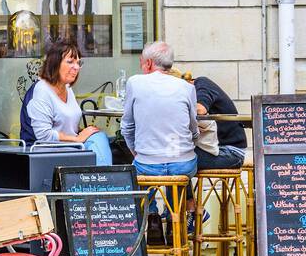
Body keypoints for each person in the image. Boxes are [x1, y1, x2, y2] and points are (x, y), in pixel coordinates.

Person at [23, 37, 112, 165]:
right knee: (98, 143)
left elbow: (66, 124)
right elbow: (43, 136)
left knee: (102, 138)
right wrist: (77, 139)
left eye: (78, 63)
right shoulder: (41, 91)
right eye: (70, 62)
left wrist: (85, 132)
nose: (76, 67)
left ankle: (103, 180)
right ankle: (104, 181)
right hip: (44, 155)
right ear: (55, 63)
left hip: (70, 149)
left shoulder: (66, 87)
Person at [121, 41, 199, 177]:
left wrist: (139, 153)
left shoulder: (135, 83)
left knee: (141, 185)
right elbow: (193, 130)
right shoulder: (187, 87)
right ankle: (177, 198)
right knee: (178, 180)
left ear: (149, 63)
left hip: (147, 164)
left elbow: (127, 127)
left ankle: (147, 199)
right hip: (183, 164)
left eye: (142, 62)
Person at [192, 73, 248, 171]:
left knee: (179, 159)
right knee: (176, 157)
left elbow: (200, 110)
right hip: (219, 149)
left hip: (232, 153)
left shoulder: (202, 83)